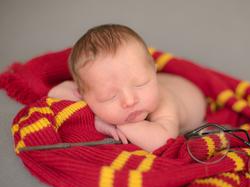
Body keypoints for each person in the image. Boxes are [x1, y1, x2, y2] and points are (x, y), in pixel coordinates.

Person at [48, 24, 207, 152]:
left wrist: (117, 123)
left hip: (186, 92)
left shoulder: (164, 104)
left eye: (141, 84)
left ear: (154, 70)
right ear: (82, 94)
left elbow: (161, 142)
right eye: (110, 96)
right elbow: (56, 93)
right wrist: (95, 116)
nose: (130, 101)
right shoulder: (91, 89)